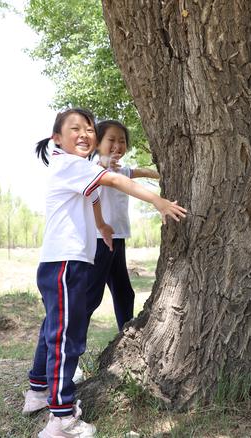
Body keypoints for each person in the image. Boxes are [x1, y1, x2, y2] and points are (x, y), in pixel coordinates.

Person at [22, 108, 186, 438]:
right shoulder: (69, 164)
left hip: (68, 262)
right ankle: (61, 419)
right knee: (66, 336)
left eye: (88, 129)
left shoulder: (74, 167)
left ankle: (38, 391)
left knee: (58, 327)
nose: (84, 134)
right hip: (66, 263)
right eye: (74, 129)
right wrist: (158, 200)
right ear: (58, 138)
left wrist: (101, 224)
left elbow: (94, 195)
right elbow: (112, 180)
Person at [84, 120, 159, 332]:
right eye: (111, 140)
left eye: (122, 141)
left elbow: (139, 172)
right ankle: (69, 346)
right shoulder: (93, 169)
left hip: (118, 240)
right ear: (97, 143)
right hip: (100, 241)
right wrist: (104, 163)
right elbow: (96, 175)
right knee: (90, 296)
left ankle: (125, 337)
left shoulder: (122, 171)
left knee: (124, 292)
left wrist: (161, 173)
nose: (117, 145)